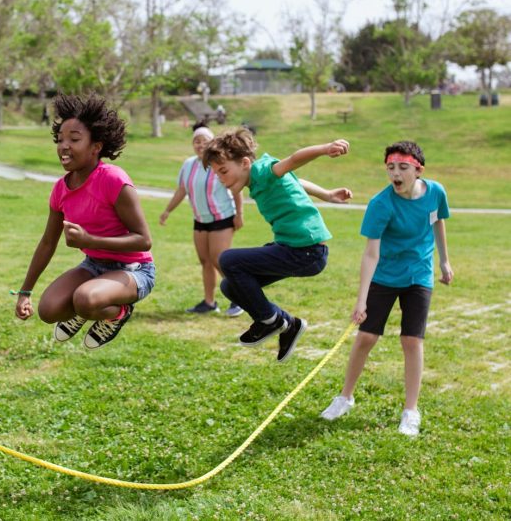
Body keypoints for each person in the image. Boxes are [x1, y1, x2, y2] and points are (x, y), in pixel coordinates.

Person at [321, 141, 452, 436]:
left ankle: (410, 410)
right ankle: (345, 397)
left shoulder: (435, 192)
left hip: (418, 275)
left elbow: (438, 222)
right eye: (391, 167)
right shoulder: (381, 204)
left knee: (411, 340)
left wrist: (444, 261)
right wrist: (361, 300)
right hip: (385, 275)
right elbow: (371, 254)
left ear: (418, 170)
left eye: (403, 167)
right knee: (366, 337)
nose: (396, 173)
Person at [14, 94, 154, 350]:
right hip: (93, 266)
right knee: (49, 310)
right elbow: (47, 242)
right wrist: (25, 292)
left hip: (134, 270)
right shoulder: (60, 189)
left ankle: (117, 313)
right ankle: (85, 309)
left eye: (74, 139)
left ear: (96, 146)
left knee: (85, 299)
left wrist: (90, 240)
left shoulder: (113, 180)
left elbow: (144, 240)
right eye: (60, 140)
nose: (64, 146)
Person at [202, 127, 352, 362]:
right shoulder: (260, 179)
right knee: (230, 287)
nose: (221, 180)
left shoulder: (263, 170)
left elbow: (293, 161)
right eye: (217, 175)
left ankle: (270, 320)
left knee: (227, 259)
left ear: (244, 163)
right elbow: (294, 179)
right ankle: (288, 324)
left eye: (223, 171)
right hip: (294, 249)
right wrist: (327, 194)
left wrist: (325, 149)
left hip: (307, 250)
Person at [159, 122, 244, 316]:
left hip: (222, 217)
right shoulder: (188, 164)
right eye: (196, 141)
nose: (199, 144)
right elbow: (182, 190)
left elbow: (235, 188)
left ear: (212, 142)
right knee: (205, 261)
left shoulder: (219, 162)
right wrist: (167, 211)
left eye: (204, 140)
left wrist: (240, 214)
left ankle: (239, 299)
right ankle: (209, 302)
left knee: (219, 260)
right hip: (200, 219)